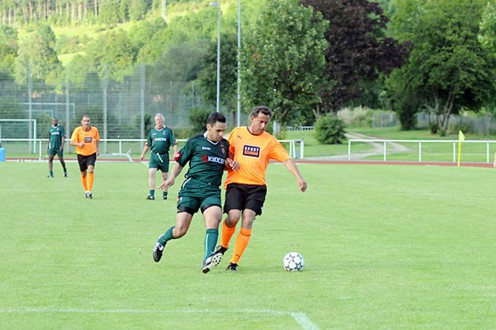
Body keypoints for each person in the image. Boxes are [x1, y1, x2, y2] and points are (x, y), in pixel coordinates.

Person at [213, 106, 308, 271]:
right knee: (233, 217)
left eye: (266, 123)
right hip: (235, 183)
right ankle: (223, 246)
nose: (263, 126)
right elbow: (227, 153)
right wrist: (229, 161)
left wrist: (298, 177)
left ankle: (233, 262)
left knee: (248, 218)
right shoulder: (238, 132)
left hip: (257, 187)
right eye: (260, 121)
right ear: (252, 118)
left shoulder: (270, 141)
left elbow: (286, 159)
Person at [152, 112, 239, 274]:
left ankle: (207, 259)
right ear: (209, 127)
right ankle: (162, 240)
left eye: (223, 131)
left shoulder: (224, 145)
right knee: (180, 230)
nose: (221, 134)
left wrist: (230, 163)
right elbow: (180, 162)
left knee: (214, 220)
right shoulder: (195, 142)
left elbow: (223, 163)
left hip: (211, 190)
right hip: (191, 188)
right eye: (218, 131)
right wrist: (171, 178)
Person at [140, 113, 178, 200]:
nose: (158, 121)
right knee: (151, 173)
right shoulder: (152, 131)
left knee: (164, 176)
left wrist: (175, 152)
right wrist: (143, 154)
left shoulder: (168, 131)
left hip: (164, 156)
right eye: (157, 120)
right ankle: (151, 194)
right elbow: (148, 144)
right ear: (155, 121)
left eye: (160, 120)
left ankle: (165, 193)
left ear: (163, 121)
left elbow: (174, 143)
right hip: (154, 155)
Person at [70, 115, 100, 199]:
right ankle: (86, 190)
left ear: (90, 122)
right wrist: (79, 144)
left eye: (88, 121)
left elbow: (97, 139)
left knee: (90, 169)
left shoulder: (94, 130)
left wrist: (97, 149)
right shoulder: (77, 130)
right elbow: (71, 142)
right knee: (83, 173)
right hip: (81, 154)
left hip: (91, 153)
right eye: (85, 121)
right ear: (81, 122)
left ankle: (89, 191)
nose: (86, 122)